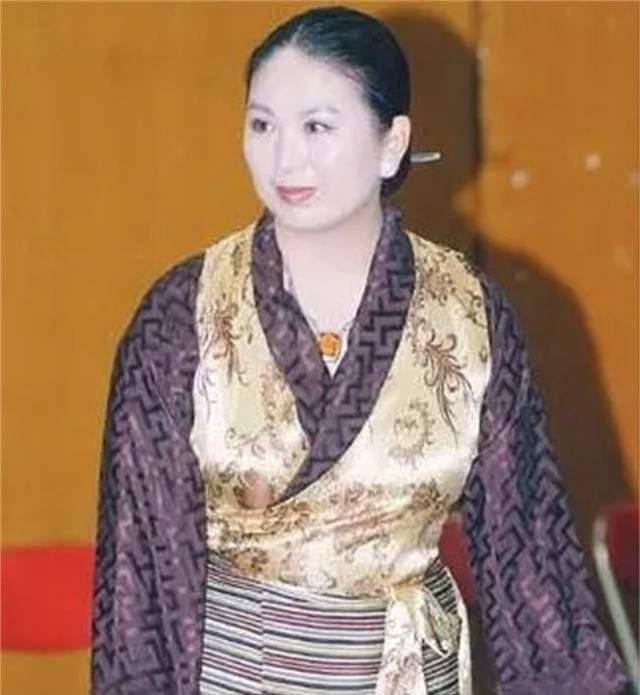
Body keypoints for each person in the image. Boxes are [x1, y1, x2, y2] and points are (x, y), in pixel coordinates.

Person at [90, 6, 630, 695]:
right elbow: (138, 585)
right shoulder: (180, 317)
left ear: (391, 142)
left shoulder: (470, 315)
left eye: (317, 126)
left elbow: (533, 573)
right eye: (263, 126)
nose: (286, 159)